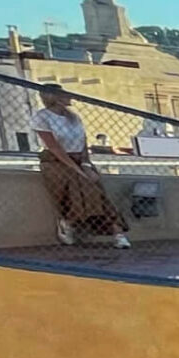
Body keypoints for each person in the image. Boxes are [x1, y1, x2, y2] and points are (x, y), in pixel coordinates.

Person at [33, 85, 129, 249]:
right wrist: (76, 169)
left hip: (79, 159)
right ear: (55, 97)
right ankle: (68, 223)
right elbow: (53, 146)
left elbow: (83, 142)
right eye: (64, 94)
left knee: (98, 192)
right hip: (57, 160)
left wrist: (85, 164)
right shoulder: (42, 117)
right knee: (74, 193)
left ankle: (117, 232)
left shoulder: (74, 117)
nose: (69, 97)